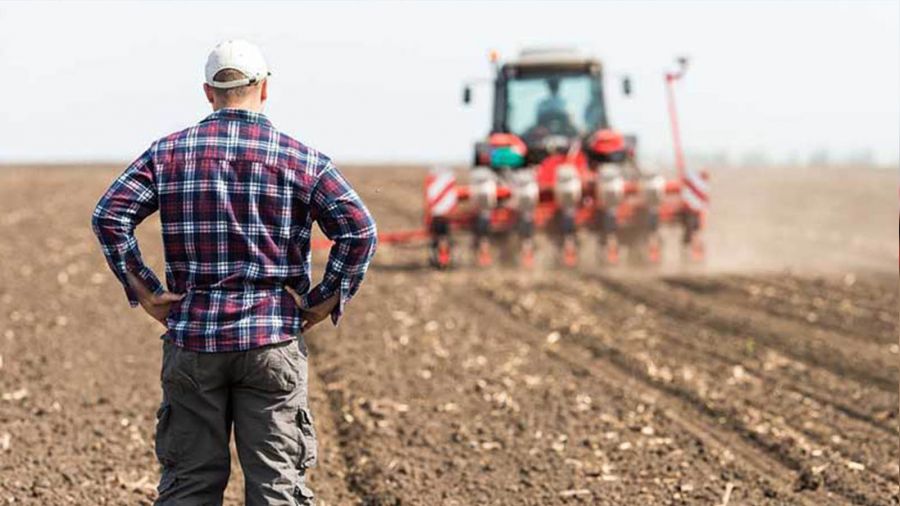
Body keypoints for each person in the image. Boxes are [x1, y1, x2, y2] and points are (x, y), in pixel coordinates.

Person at [91, 39, 377, 505]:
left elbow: (109, 215)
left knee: (189, 488)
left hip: (194, 339)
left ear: (208, 92)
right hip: (272, 341)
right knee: (277, 488)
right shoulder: (302, 159)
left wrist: (145, 290)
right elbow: (360, 230)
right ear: (264, 89)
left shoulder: (168, 154)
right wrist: (327, 298)